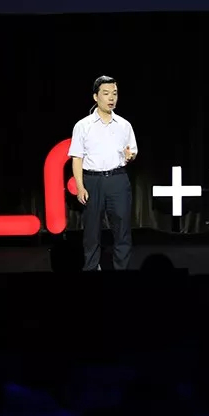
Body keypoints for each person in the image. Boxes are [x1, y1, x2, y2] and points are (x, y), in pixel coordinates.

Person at [68, 76, 138, 271]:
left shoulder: (124, 125)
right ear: (95, 97)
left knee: (122, 230)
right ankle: (91, 270)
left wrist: (130, 156)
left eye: (114, 94)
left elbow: (132, 152)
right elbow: (77, 158)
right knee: (91, 232)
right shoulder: (83, 125)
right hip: (93, 181)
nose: (111, 98)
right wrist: (80, 186)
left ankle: (122, 272)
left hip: (118, 180)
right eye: (106, 93)